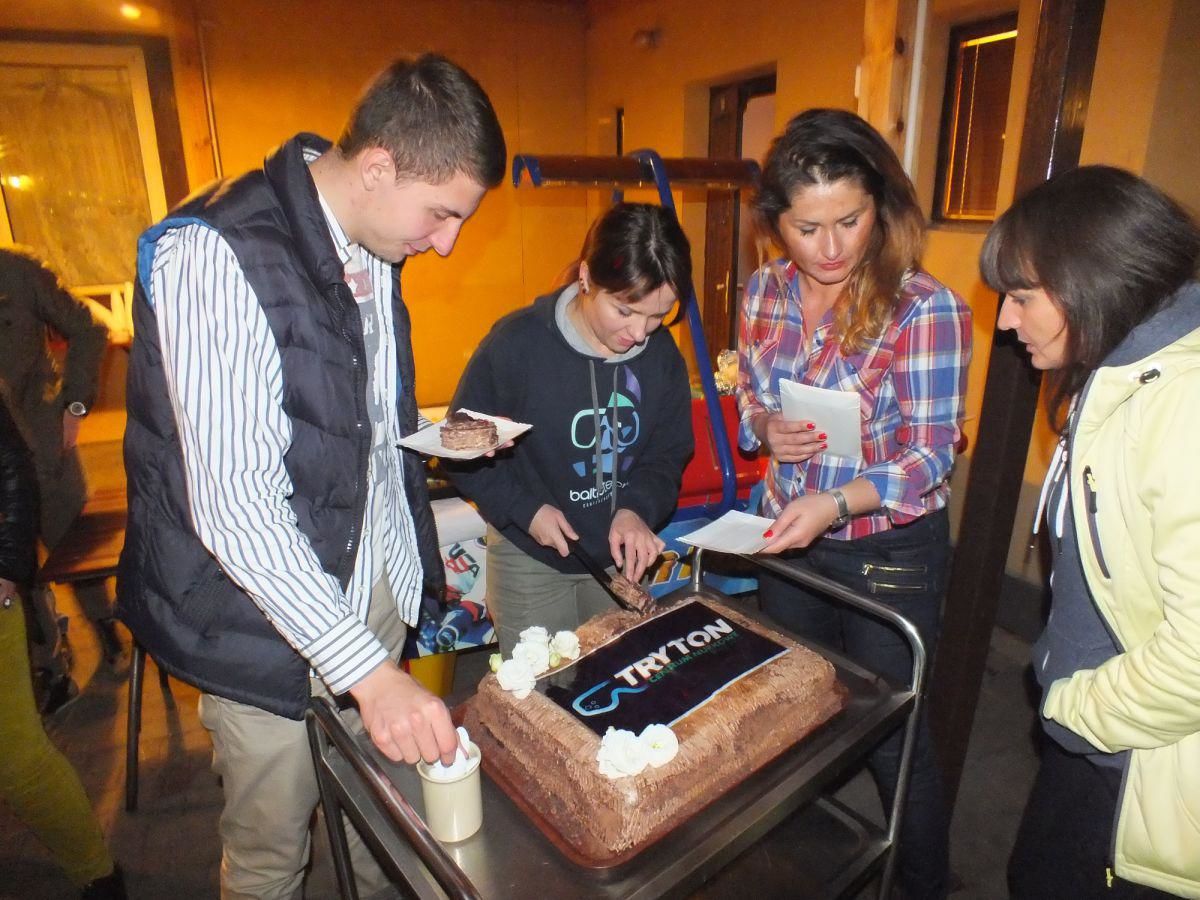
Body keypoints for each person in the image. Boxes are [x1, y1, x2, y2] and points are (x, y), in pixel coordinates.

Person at [115, 54, 505, 899]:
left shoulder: (372, 234)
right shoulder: (214, 255)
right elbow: (236, 508)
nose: (447, 243)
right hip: (258, 618)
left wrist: (428, 450)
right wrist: (369, 674)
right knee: (271, 855)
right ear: (379, 167)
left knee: (380, 813)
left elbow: (352, 419)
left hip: (372, 585)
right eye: (442, 213)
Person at [736, 108, 971, 899]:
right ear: (776, 223)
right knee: (797, 712)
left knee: (893, 734)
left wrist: (836, 502)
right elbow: (749, 402)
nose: (831, 248)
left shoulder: (922, 307)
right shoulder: (765, 289)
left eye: (851, 220)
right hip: (789, 539)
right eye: (808, 228)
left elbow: (931, 456)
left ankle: (921, 885)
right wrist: (765, 428)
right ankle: (810, 871)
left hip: (886, 550)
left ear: (881, 206)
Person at [983, 165, 1200, 899]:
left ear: (1091, 282)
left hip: (1139, 761)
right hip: (1106, 738)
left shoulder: (1183, 407)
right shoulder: (1123, 370)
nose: (1005, 321)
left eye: (1021, 297)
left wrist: (1075, 710)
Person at [446, 202, 694, 652]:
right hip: (531, 559)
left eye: (659, 315)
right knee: (540, 687)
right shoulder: (518, 345)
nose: (640, 333)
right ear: (585, 278)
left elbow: (668, 452)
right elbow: (459, 449)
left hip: (620, 561)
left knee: (619, 678)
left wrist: (636, 509)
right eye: (624, 311)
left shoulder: (661, 356)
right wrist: (527, 510)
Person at [0, 396, 126, 898]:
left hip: (53, 470)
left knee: (19, 759)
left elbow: (12, 464)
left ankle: (97, 874)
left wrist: (9, 565)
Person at [0, 246, 117, 709]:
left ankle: (109, 634)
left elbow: (89, 328)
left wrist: (75, 405)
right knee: (15, 575)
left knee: (75, 550)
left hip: (43, 447)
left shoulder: (17, 273)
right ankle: (49, 667)